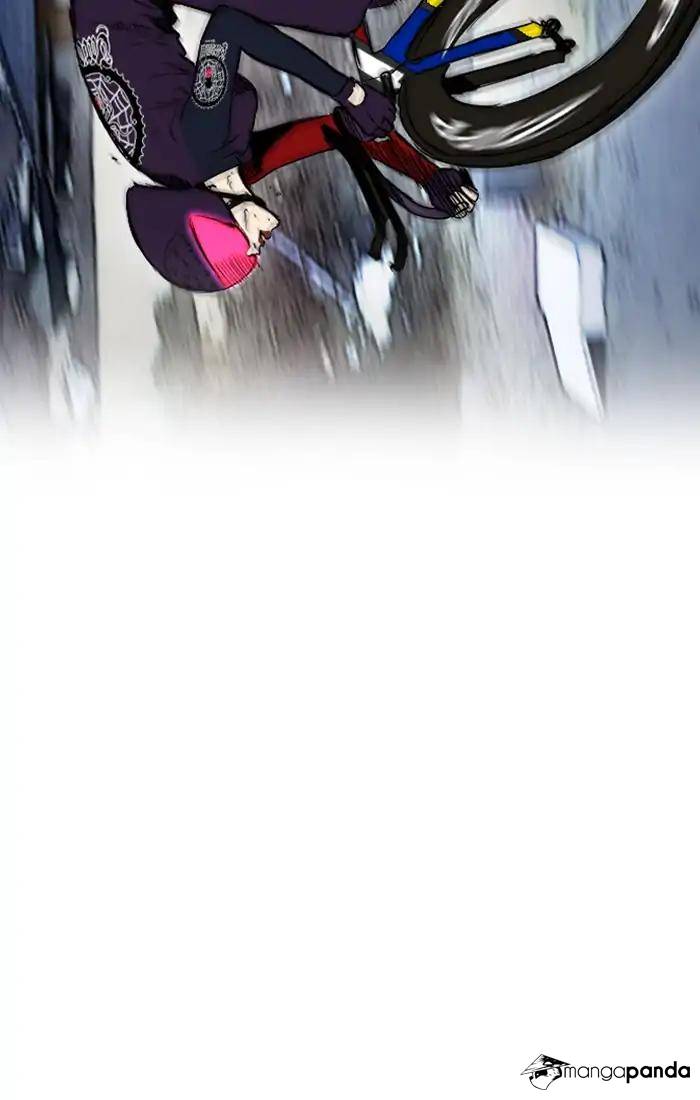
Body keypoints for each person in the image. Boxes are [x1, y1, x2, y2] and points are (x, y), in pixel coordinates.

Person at [70, 0, 478, 292]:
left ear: (215, 213)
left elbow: (231, 27)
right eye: (254, 251)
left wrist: (351, 93)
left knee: (337, 9)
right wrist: (427, 175)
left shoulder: (200, 144)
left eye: (246, 241)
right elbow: (334, 131)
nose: (265, 233)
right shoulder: (212, 172)